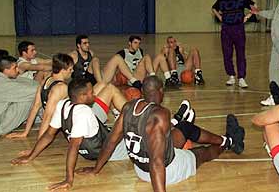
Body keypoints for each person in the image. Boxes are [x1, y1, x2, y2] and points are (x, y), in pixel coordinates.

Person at [76, 76, 246, 190]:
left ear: (143, 92)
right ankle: (229, 143)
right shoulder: (161, 114)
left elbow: (110, 142)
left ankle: (223, 137)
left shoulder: (129, 107)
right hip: (164, 172)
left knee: (185, 128)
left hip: (140, 169)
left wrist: (96, 169)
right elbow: (157, 162)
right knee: (202, 153)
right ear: (161, 91)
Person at [11, 78, 128, 191]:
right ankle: (135, 116)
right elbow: (74, 146)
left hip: (95, 139)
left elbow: (48, 135)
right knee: (136, 126)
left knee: (110, 91)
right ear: (82, 96)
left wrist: (31, 156)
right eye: (91, 93)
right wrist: (69, 179)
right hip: (111, 151)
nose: (94, 95)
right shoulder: (84, 113)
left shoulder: (62, 104)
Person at [6, 53, 75, 139]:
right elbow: (47, 117)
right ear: (62, 70)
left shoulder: (46, 80)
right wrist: (38, 144)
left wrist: (25, 132)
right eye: (70, 69)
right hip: (66, 122)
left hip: (57, 119)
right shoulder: (61, 88)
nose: (72, 71)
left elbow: (35, 107)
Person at [0, 55, 38, 137]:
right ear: (6, 70)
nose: (18, 70)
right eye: (15, 68)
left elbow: (22, 81)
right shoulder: (3, 85)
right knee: (35, 96)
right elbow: (37, 90)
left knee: (28, 87)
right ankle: (44, 119)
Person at [212, 0, 255, 88]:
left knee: (240, 53)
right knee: (227, 54)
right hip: (226, 29)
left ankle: (241, 78)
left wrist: (247, 17)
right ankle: (231, 76)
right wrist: (220, 17)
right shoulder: (221, 0)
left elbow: (254, 6)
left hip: (238, 28)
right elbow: (213, 8)